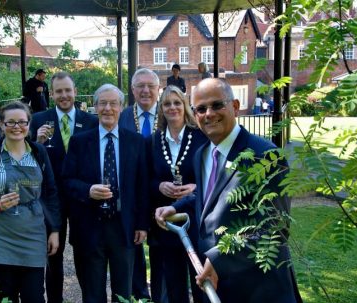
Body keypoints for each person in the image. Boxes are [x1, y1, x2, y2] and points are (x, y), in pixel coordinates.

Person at [155, 78, 302, 302]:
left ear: (234, 106)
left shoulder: (266, 156)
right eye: (201, 109)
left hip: (259, 289)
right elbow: (209, 199)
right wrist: (174, 207)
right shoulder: (202, 154)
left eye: (216, 105)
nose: (208, 114)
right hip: (217, 286)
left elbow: (276, 228)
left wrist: (219, 259)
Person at [0, 101, 61, 303]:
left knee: (34, 297)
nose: (17, 127)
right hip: (0, 238)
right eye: (10, 122)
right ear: (1, 125)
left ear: (29, 124)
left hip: (34, 235)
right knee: (1, 297)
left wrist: (54, 230)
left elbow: (51, 193)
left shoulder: (39, 153)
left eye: (22, 122)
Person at [62, 84, 149, 302]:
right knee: (92, 293)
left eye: (113, 103)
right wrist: (88, 190)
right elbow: (66, 181)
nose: (108, 108)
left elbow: (142, 187)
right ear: (95, 107)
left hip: (124, 226)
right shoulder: (79, 141)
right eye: (103, 103)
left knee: (123, 293)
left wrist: (141, 224)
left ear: (122, 107)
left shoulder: (136, 142)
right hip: (90, 226)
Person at [30, 71, 98, 303]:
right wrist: (34, 143)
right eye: (59, 91)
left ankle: (89, 298)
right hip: (51, 199)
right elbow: (27, 160)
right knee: (53, 255)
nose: (64, 95)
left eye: (68, 90)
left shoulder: (92, 121)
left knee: (84, 254)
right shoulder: (39, 120)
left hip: (82, 198)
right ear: (52, 94)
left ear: (75, 92)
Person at [147, 85, 208, 303]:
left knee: (200, 278)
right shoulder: (154, 141)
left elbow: (212, 176)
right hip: (167, 223)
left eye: (177, 103)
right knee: (174, 284)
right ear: (161, 109)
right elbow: (147, 180)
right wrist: (159, 186)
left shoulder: (201, 137)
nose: (172, 108)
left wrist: (195, 187)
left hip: (196, 219)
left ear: (185, 106)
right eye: (166, 104)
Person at [118, 67, 159, 300]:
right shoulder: (122, 117)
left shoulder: (169, 113)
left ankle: (163, 293)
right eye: (140, 86)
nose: (145, 91)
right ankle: (139, 294)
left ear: (158, 89)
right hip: (132, 196)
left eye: (150, 86)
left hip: (163, 194)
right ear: (132, 90)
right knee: (133, 248)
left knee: (161, 251)